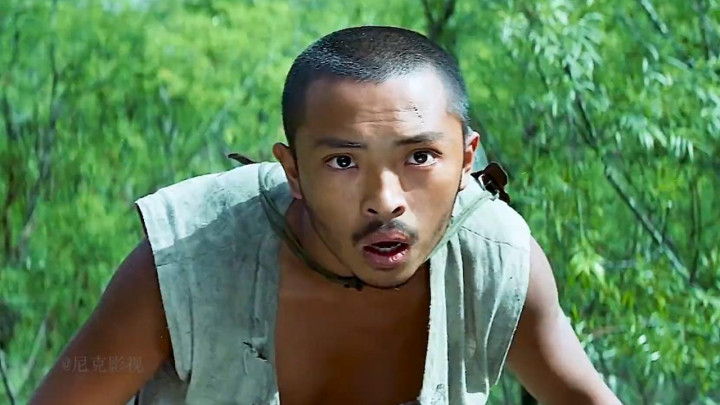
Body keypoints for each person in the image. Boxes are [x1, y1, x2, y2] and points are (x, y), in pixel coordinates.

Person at [30, 26, 621, 405]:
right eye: (343, 161)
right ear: (293, 171)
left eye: (420, 156)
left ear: (467, 160)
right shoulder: (187, 266)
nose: (385, 199)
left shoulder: (495, 262)